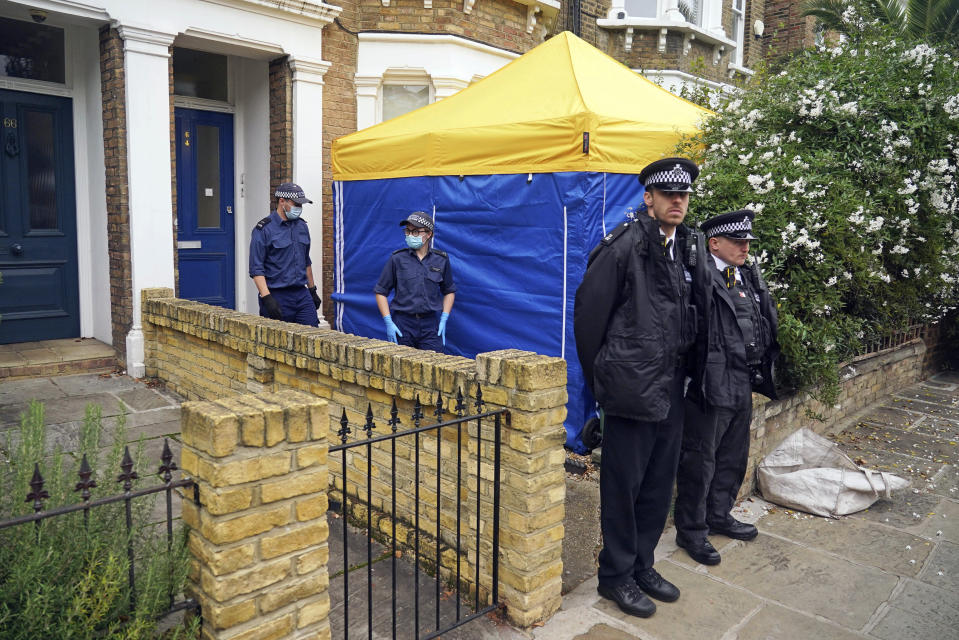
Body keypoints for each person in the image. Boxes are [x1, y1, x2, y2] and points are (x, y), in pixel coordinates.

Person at [573, 157, 699, 618]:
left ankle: (642, 564)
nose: (677, 202)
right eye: (668, 195)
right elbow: (589, 320)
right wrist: (603, 383)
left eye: (683, 195)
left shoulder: (686, 248)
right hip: (629, 390)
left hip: (670, 390)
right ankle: (615, 576)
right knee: (622, 490)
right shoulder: (624, 247)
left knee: (656, 486)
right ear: (648, 198)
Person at [675, 209, 780, 566]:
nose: (745, 248)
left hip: (742, 378)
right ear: (714, 243)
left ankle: (718, 514)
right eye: (737, 242)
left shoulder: (744, 276)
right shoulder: (699, 277)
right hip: (711, 381)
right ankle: (691, 530)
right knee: (700, 460)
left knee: (732, 456)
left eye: (747, 242)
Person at [374, 212, 456, 352]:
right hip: (403, 324)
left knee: (433, 367)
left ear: (429, 234)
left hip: (430, 325)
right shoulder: (397, 259)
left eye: (416, 231)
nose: (411, 235)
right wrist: (388, 322)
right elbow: (380, 291)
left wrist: (444, 318)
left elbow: (449, 291)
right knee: (401, 368)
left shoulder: (441, 259)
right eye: (408, 231)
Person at [248, 183, 321, 326]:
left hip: (301, 294)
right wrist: (267, 298)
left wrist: (312, 290)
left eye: (301, 205)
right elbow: (256, 268)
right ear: (282, 201)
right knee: (277, 344)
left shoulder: (302, 226)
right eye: (296, 204)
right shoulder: (264, 230)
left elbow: (306, 261)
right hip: (277, 295)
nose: (299, 208)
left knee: (314, 338)